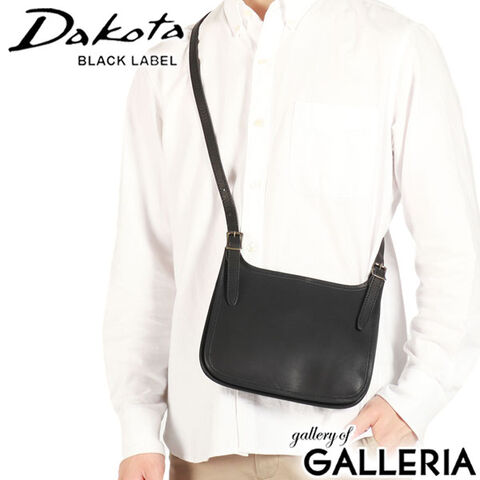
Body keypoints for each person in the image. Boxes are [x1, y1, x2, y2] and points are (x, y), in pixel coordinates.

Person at [103, 0, 480, 478]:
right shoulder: (170, 63)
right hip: (204, 447)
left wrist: (418, 396)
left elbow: (455, 248)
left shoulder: (394, 45)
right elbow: (146, 259)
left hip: (347, 441)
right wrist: (138, 427)